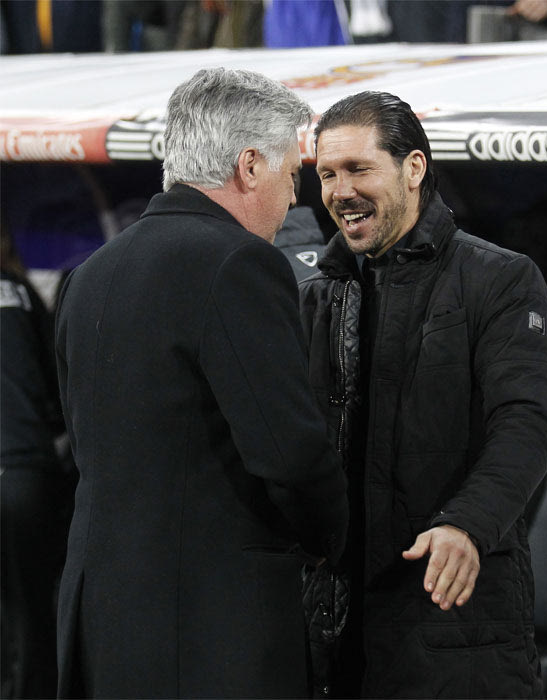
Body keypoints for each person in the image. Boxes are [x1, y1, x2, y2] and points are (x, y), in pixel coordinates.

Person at [54, 68, 349, 699]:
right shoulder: (239, 262)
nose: (292, 199)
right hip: (207, 630)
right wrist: (332, 539)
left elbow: (84, 442)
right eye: (291, 175)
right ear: (250, 165)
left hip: (100, 621)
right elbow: (289, 454)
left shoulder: (89, 275)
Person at [299, 91, 547, 698]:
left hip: (456, 626)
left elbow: (524, 425)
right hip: (336, 642)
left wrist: (466, 525)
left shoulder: (501, 279)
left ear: (413, 168)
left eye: (358, 169)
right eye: (327, 174)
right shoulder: (315, 298)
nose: (340, 191)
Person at [1, 225, 73, 699]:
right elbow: (59, 388)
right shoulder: (21, 291)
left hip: (21, 466)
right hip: (25, 471)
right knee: (32, 626)